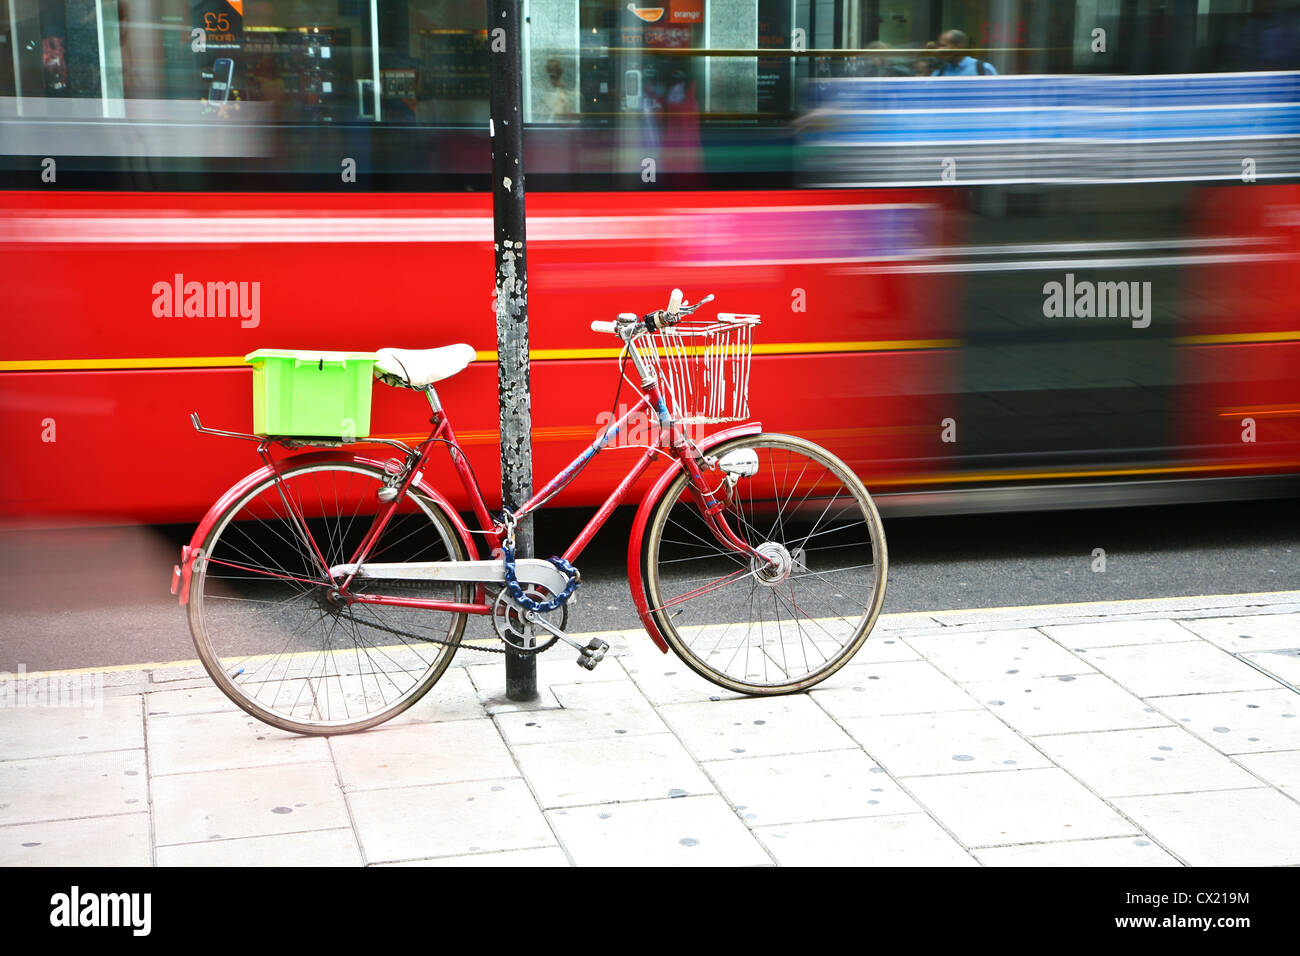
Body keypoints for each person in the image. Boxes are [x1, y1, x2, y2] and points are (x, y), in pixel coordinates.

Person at [931, 30, 998, 76]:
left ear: (958, 46)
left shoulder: (982, 69)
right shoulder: (939, 73)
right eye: (938, 46)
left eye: (943, 46)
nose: (939, 49)